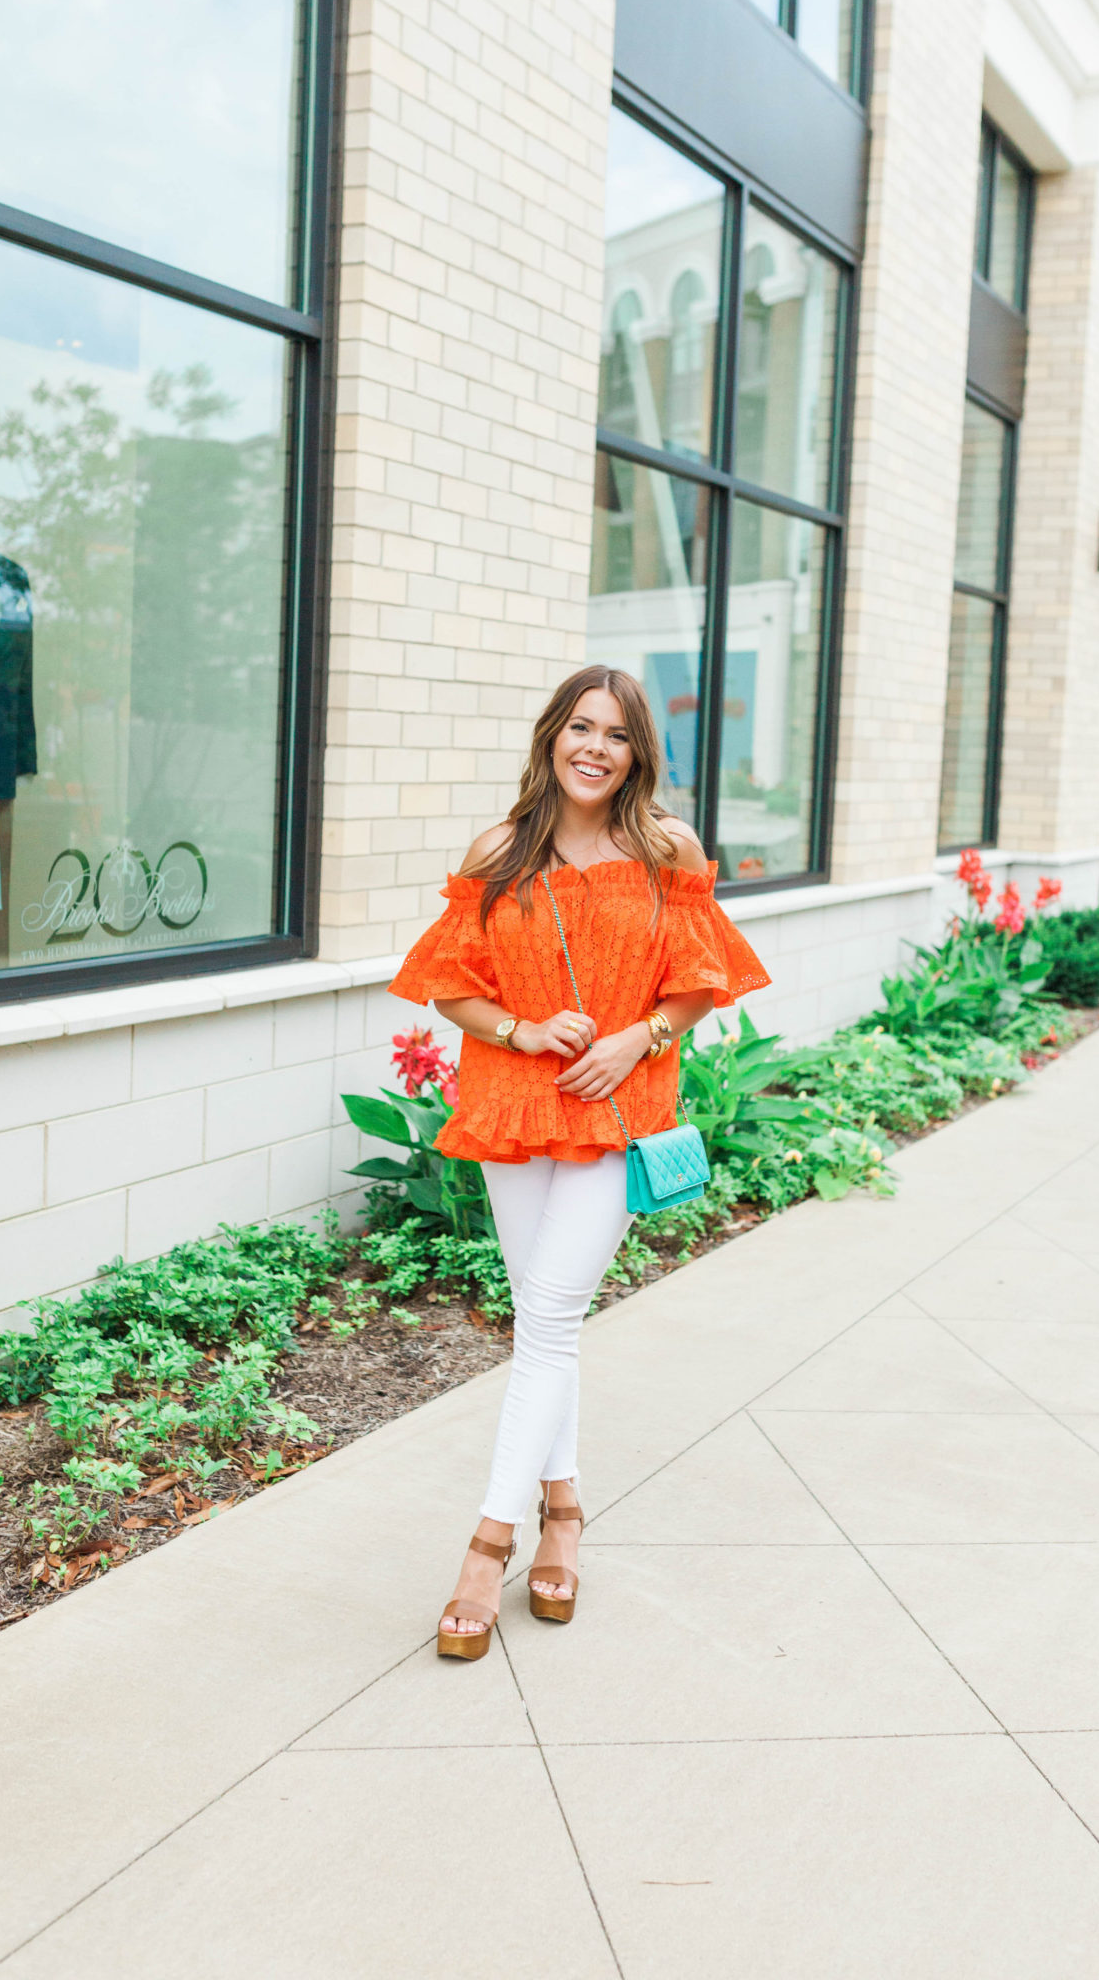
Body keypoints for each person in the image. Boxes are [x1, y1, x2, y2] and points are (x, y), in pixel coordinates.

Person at [388, 663, 770, 1661]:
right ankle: (565, 1510)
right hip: (516, 1106)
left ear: (640, 754)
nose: (595, 748)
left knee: (551, 1316)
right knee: (539, 1323)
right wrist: (519, 1030)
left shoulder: (666, 849)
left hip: (613, 1106)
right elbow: (448, 986)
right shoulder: (500, 850)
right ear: (552, 734)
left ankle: (487, 1547)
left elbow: (700, 980)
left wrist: (635, 1038)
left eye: (618, 735)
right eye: (581, 728)